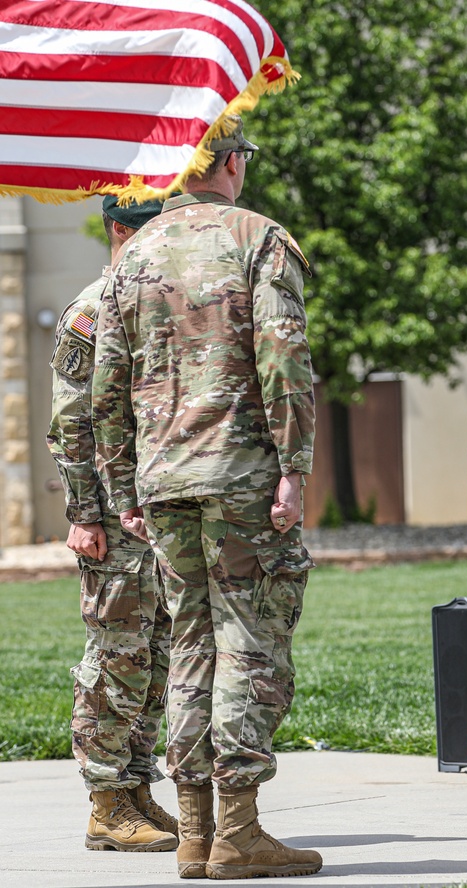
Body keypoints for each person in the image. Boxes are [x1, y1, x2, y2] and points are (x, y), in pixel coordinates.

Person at [91, 115, 322, 880]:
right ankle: (240, 832)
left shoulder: (134, 255)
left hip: (163, 485)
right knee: (250, 646)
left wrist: (122, 488)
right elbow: (283, 358)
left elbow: (106, 387)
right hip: (241, 478)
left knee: (190, 646)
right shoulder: (259, 239)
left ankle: (194, 831)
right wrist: (294, 466)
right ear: (229, 162)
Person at [47, 195, 177, 853]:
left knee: (154, 658)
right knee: (116, 656)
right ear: (123, 230)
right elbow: (70, 421)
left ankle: (135, 790)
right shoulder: (90, 311)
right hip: (111, 516)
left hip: (160, 511)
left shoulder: (154, 304)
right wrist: (82, 513)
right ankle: (105, 803)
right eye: (154, 225)